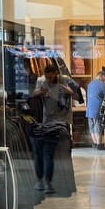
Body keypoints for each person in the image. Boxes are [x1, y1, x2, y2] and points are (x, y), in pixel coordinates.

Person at [28, 64, 77, 194]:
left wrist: (69, 91)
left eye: (51, 76)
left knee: (52, 154)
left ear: (56, 73)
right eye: (47, 77)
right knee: (43, 153)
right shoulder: (41, 81)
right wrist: (41, 92)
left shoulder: (65, 80)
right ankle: (43, 181)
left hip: (61, 122)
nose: (49, 79)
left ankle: (51, 182)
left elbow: (79, 97)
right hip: (46, 122)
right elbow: (32, 95)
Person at [85, 66, 105, 150]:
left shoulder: (90, 84)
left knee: (91, 126)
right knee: (98, 126)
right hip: (97, 108)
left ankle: (95, 143)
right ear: (102, 76)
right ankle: (99, 145)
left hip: (89, 109)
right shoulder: (103, 85)